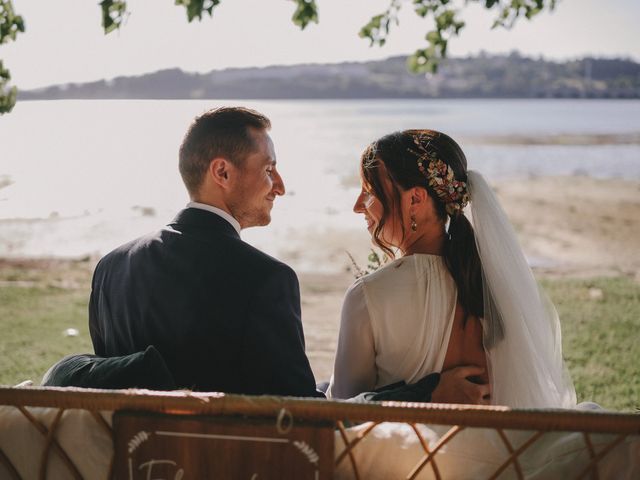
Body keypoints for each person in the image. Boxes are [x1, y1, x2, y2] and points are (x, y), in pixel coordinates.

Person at [89, 107, 481, 401]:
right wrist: (427, 392)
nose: (280, 186)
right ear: (222, 173)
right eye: (270, 169)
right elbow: (304, 417)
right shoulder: (263, 280)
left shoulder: (109, 270)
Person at [327, 129, 576, 409]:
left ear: (415, 200)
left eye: (369, 192)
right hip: (500, 448)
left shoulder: (367, 296)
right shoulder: (497, 282)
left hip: (418, 451)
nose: (357, 206)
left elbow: (343, 409)